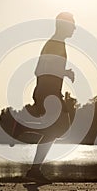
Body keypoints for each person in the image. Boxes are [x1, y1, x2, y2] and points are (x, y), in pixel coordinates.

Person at [24, 12, 76, 182]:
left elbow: (37, 70)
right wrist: (66, 72)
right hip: (48, 92)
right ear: (63, 25)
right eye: (72, 24)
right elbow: (45, 70)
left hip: (49, 91)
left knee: (58, 129)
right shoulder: (56, 44)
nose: (75, 28)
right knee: (59, 128)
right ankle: (22, 126)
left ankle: (34, 170)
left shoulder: (55, 43)